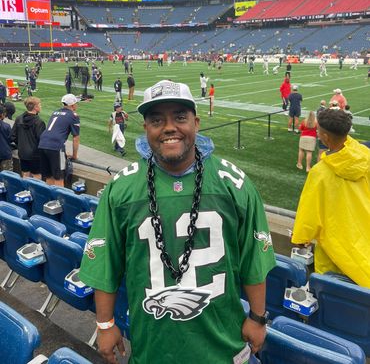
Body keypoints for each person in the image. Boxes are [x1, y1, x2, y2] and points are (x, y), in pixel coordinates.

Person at [79, 79, 276, 364]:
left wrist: (257, 318)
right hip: (153, 345)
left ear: (196, 123)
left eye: (180, 117)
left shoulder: (233, 184)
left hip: (223, 342)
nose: (169, 127)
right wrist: (105, 324)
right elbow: (104, 263)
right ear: (146, 128)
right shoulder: (121, 189)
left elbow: (254, 258)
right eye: (157, 119)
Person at [292, 109, 370, 288]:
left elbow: (309, 215)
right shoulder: (365, 156)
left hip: (336, 253)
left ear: (325, 137)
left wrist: (300, 238)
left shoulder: (320, 173)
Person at [38, 94, 80, 186]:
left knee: (49, 176)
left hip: (42, 144)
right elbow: (76, 138)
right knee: (59, 178)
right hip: (55, 147)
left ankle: (50, 199)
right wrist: (74, 155)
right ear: (72, 105)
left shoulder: (55, 112)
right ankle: (59, 200)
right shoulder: (74, 116)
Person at [11, 97, 45, 179]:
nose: (41, 106)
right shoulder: (39, 122)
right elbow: (42, 140)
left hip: (23, 153)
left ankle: (26, 191)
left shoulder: (19, 118)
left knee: (25, 175)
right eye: (40, 104)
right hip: (35, 155)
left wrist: (21, 145)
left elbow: (13, 136)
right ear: (35, 107)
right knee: (37, 177)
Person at [0, 104, 12, 171]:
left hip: (5, 154)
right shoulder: (6, 126)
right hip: (5, 154)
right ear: (2, 115)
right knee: (7, 177)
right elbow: (11, 138)